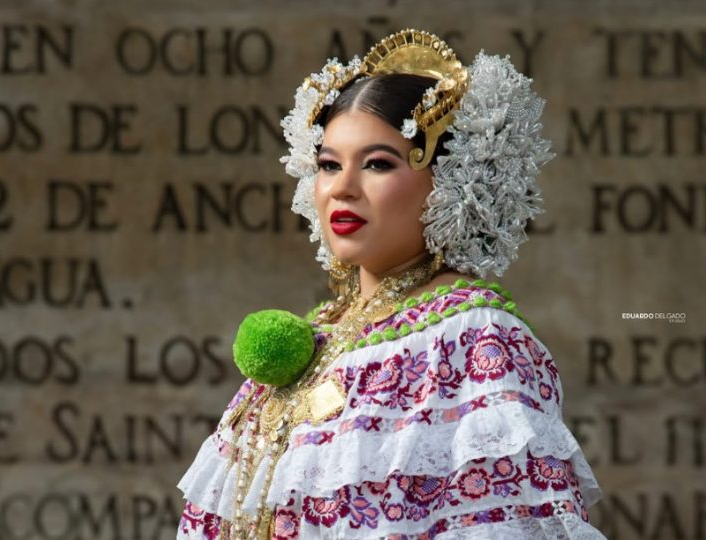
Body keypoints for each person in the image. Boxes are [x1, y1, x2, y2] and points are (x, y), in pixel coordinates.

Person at [176, 29, 606, 539]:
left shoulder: (476, 338)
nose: (342, 188)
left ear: (451, 180)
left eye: (377, 164)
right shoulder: (318, 337)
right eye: (329, 164)